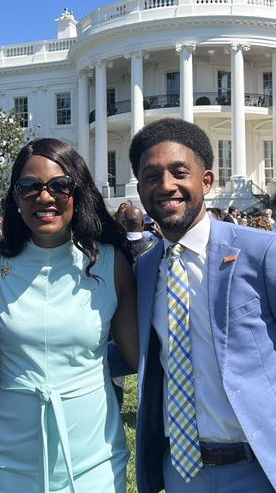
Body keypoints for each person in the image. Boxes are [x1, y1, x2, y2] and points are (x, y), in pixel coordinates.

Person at [0, 138, 138, 492]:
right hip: (10, 452)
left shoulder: (111, 264)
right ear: (15, 197)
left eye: (59, 186)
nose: (45, 197)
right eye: (29, 187)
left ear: (77, 191)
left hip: (92, 452)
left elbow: (139, 355)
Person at [130, 118, 276, 493]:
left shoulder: (259, 253)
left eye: (179, 172)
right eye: (151, 176)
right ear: (140, 188)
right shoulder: (146, 268)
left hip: (257, 467)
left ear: (206, 181)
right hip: (181, 471)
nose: (166, 186)